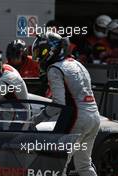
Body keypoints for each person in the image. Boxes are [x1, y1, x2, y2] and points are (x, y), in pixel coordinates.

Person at [31, 32, 100, 176]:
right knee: (84, 165)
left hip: (77, 119)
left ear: (51, 49)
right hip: (94, 118)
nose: (38, 58)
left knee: (58, 164)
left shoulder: (54, 69)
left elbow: (58, 103)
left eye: (41, 52)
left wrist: (37, 119)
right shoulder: (78, 64)